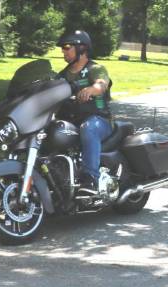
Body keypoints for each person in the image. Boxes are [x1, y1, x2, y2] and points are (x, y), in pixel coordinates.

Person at [55, 30, 112, 194]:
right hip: (72, 121)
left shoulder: (95, 68)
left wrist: (92, 89)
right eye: (63, 48)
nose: (63, 51)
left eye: (67, 47)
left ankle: (90, 180)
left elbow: (102, 83)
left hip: (99, 120)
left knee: (89, 128)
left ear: (82, 48)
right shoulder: (62, 75)